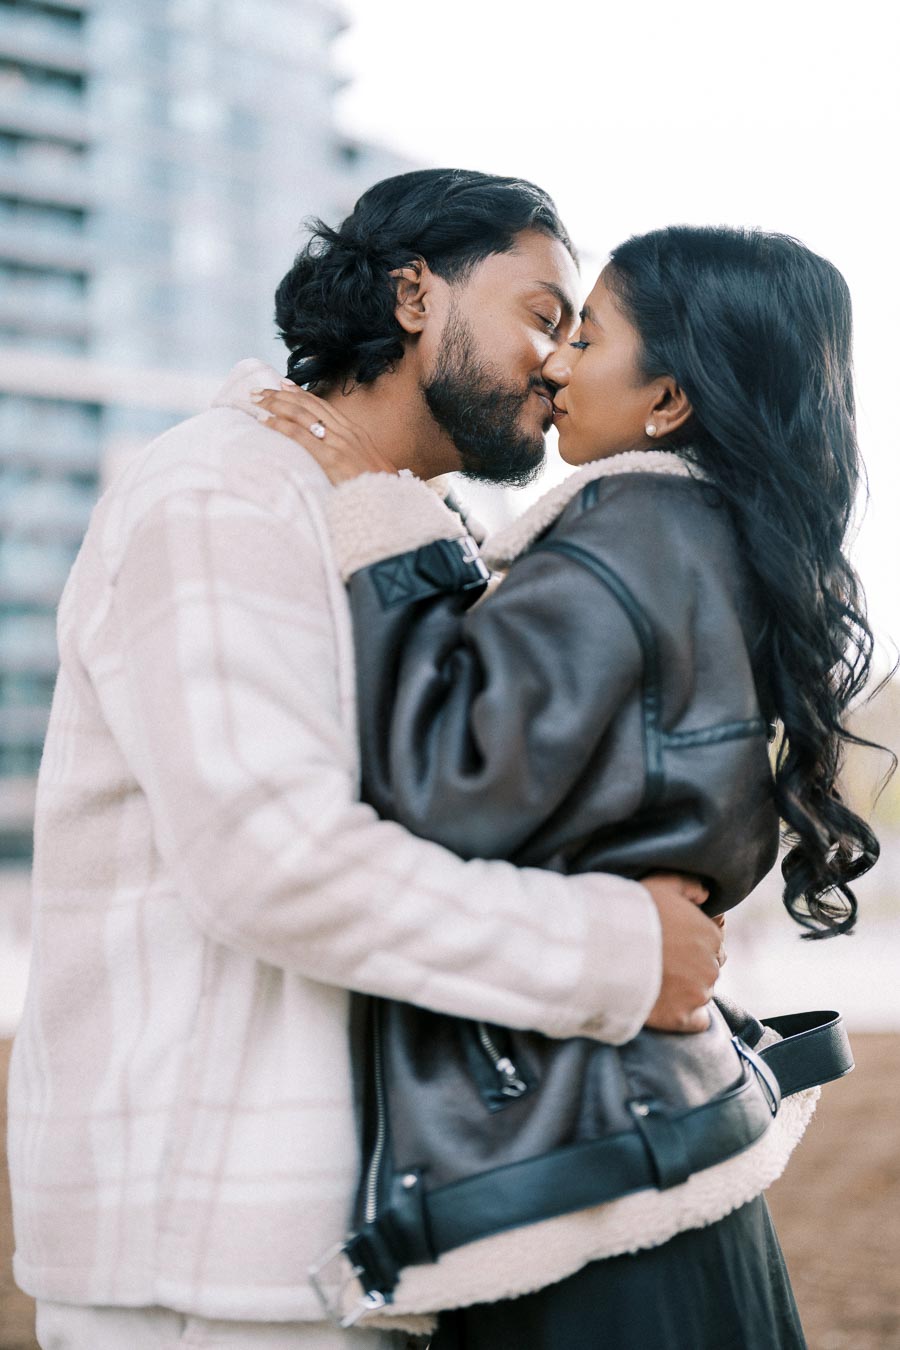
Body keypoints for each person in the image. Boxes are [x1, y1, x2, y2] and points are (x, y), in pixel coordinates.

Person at [7, 172, 725, 1350]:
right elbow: (273, 863)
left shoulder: (412, 530)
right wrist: (614, 955)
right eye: (542, 315)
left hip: (371, 1241)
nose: (559, 364)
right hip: (218, 1264)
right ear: (411, 294)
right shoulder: (223, 491)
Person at [254, 223, 881, 1348]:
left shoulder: (627, 527)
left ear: (668, 400)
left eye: (585, 334)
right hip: (655, 1142)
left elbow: (444, 786)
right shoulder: (708, 534)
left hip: (581, 1176)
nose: (553, 363)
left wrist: (385, 526)